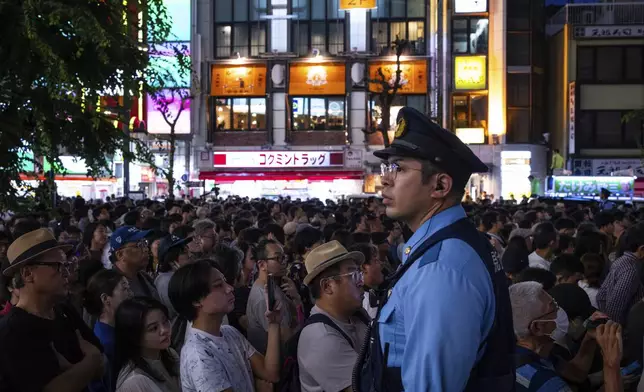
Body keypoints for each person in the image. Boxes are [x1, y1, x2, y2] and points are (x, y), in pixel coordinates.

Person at [354, 107, 515, 391]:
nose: (385, 180)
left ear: (440, 185)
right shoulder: (440, 249)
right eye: (387, 168)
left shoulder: (441, 268)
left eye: (400, 168)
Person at [0, 228, 105, 392]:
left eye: (67, 265)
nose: (67, 273)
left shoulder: (64, 311)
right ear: (28, 274)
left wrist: (75, 373)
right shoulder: (12, 333)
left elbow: (101, 366)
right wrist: (89, 361)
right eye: (58, 266)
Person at [168, 260, 281, 391]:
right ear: (197, 300)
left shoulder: (229, 333)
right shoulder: (199, 355)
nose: (229, 288)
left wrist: (273, 323)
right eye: (218, 285)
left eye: (225, 281)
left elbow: (270, 373)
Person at [509, 281, 623, 392]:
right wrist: (611, 364)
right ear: (537, 328)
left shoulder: (533, 353)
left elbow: (577, 374)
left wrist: (589, 339)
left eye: (556, 303)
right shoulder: (546, 383)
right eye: (553, 308)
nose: (560, 312)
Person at [298, 241, 370, 391]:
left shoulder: (356, 315)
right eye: (353, 275)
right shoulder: (321, 338)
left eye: (360, 274)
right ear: (328, 286)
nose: (361, 282)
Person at [113, 297, 180, 392]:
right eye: (154, 328)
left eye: (165, 321)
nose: (164, 330)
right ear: (134, 337)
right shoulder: (135, 381)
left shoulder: (170, 354)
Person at [247, 239, 301, 354]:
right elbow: (288, 339)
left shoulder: (271, 283)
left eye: (284, 257)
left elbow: (293, 313)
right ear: (262, 265)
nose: (283, 262)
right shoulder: (263, 298)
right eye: (278, 258)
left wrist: (296, 297)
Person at [110, 226, 160, 300]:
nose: (146, 249)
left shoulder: (144, 276)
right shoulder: (112, 287)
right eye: (139, 245)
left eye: (144, 243)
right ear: (120, 255)